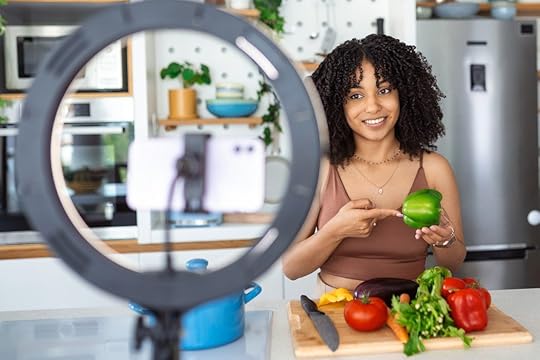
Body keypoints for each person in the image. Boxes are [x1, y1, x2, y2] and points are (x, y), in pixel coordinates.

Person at [282, 34, 466, 293]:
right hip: (336, 311)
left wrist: (445, 240)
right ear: (337, 105)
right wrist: (335, 231)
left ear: (405, 94)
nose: (373, 106)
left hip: (410, 313)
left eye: (384, 90)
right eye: (356, 96)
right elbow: (291, 268)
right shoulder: (321, 169)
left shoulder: (435, 168)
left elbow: (454, 263)